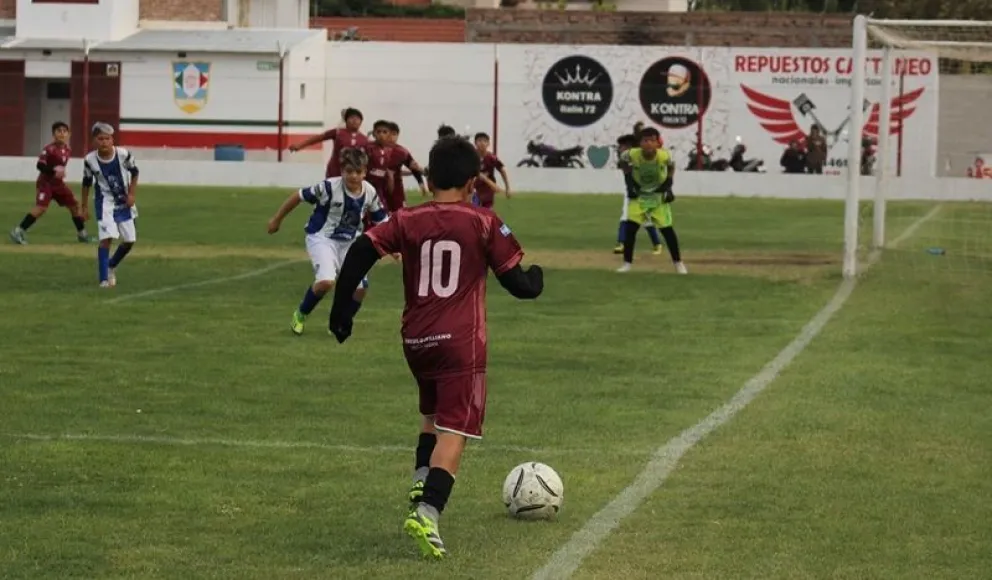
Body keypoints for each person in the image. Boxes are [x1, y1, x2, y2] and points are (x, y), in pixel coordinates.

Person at [327, 136, 544, 559]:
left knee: (431, 414)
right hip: (461, 342)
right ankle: (428, 511)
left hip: (416, 340)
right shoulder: (482, 221)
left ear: (429, 178)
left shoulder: (407, 218)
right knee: (455, 430)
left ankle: (420, 481)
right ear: (472, 181)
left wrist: (342, 310)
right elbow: (519, 284)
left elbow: (361, 249)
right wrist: (537, 278)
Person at [267, 148, 386, 335]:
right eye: (349, 171)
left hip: (350, 242)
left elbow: (382, 220)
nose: (353, 176)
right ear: (342, 170)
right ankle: (301, 314)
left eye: (358, 172)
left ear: (365, 172)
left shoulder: (369, 191)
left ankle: (340, 322)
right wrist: (277, 219)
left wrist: (394, 246)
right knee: (326, 282)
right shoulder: (328, 187)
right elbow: (299, 196)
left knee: (360, 288)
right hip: (322, 238)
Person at [617, 127, 686, 274]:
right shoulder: (632, 154)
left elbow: (671, 166)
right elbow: (622, 161)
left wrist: (668, 184)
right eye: (645, 140)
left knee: (667, 231)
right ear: (640, 143)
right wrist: (629, 180)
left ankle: (678, 263)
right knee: (630, 230)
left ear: (657, 143)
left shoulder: (664, 156)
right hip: (639, 197)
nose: (648, 143)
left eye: (652, 140)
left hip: (657, 197)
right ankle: (627, 264)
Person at [9, 121, 90, 245]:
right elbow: (40, 165)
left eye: (64, 131)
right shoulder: (49, 149)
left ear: (69, 134)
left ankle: (82, 234)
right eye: (59, 131)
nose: (62, 134)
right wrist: (53, 171)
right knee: (41, 208)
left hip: (58, 184)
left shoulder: (67, 150)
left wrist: (60, 173)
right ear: (54, 135)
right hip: (45, 184)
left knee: (74, 205)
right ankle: (18, 231)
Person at [80, 122, 139, 287]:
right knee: (106, 238)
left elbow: (135, 172)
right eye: (100, 139)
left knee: (130, 240)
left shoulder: (123, 154)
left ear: (112, 140)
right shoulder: (90, 160)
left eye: (107, 138)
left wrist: (132, 194)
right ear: (94, 141)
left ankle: (111, 265)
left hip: (123, 200)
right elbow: (86, 183)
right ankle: (104, 280)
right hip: (105, 202)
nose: (104, 142)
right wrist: (84, 207)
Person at [613, 131, 662, 255]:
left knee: (646, 219)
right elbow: (627, 175)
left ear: (629, 146)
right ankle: (621, 243)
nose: (619, 149)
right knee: (625, 216)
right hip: (631, 191)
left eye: (622, 146)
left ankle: (657, 244)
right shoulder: (624, 159)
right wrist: (630, 189)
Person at [290, 107, 367, 178]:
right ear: (346, 120)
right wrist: (300, 145)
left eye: (357, 118)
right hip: (334, 172)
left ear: (361, 122)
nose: (355, 120)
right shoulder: (337, 132)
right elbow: (318, 138)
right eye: (352, 118)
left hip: (352, 175)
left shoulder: (364, 139)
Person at [384, 121, 428, 211]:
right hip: (380, 187)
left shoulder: (402, 152)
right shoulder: (374, 149)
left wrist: (421, 183)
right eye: (388, 133)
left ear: (398, 135)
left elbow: (413, 167)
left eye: (394, 134)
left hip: (397, 188)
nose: (391, 137)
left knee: (400, 212)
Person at [473, 132, 510, 209]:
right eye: (479, 140)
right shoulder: (471, 156)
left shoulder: (491, 158)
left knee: (488, 211)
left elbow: (502, 170)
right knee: (474, 211)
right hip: (475, 189)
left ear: (488, 143)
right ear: (475, 143)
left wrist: (507, 187)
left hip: (488, 190)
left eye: (484, 141)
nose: (482, 143)